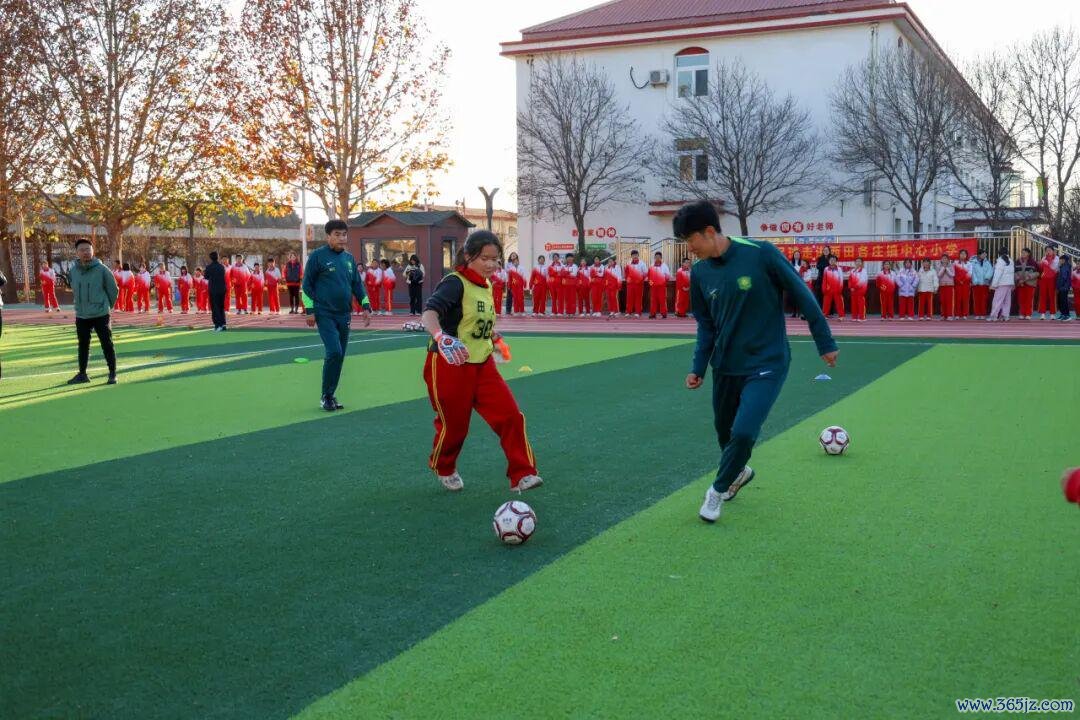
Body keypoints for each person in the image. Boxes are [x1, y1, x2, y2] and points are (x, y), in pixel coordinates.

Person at [677, 202, 837, 523]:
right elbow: (706, 325)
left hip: (768, 361)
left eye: (690, 240)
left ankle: (716, 491)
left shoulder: (761, 253)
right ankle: (739, 472)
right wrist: (698, 367)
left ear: (709, 231)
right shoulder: (700, 273)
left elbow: (802, 294)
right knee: (725, 434)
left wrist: (824, 340)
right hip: (726, 365)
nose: (689, 248)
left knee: (744, 431)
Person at [420, 230, 542, 493]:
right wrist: (440, 336)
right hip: (449, 365)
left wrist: (495, 338)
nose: (490, 264)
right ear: (468, 256)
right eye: (484, 258)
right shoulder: (455, 282)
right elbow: (429, 313)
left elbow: (477, 323)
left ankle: (523, 473)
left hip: (483, 365)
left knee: (510, 416)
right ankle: (444, 466)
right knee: (455, 427)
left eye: (495, 259)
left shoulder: (487, 285)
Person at [302, 220, 372, 411]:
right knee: (334, 352)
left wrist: (366, 306)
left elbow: (357, 285)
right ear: (328, 236)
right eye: (337, 234)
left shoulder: (349, 259)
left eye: (344, 234)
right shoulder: (317, 257)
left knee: (339, 356)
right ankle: (325, 396)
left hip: (344, 315)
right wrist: (310, 311)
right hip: (324, 313)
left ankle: (330, 395)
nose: (342, 238)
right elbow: (306, 286)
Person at [66, 238, 118, 385]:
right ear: (77, 253)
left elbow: (113, 290)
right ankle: (82, 374)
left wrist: (106, 306)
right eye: (82, 250)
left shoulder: (102, 269)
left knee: (107, 344)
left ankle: (112, 373)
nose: (86, 252)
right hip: (82, 315)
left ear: (93, 251)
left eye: (88, 249)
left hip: (101, 314)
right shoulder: (73, 271)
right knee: (83, 345)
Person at [988, 248, 1014, 322]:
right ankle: (1005, 316)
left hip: (1001, 283)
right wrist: (1012, 283)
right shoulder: (1011, 260)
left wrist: (994, 284)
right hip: (1009, 283)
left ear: (999, 253)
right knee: (1007, 301)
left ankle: (993, 316)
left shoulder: (1000, 261)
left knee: (997, 300)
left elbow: (997, 274)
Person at [204, 251, 228, 331]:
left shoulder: (209, 267)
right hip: (222, 288)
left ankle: (218, 325)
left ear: (211, 258)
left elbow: (206, 276)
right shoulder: (222, 267)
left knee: (215, 307)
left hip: (213, 289)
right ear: (218, 257)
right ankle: (223, 324)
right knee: (221, 306)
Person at [969, 248, 993, 320]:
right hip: (976, 285)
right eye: (983, 254)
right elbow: (972, 272)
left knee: (984, 300)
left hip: (985, 284)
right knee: (976, 300)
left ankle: (983, 313)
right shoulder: (973, 262)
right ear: (979, 254)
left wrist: (987, 277)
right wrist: (975, 280)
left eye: (985, 254)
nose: (985, 255)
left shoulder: (987, 262)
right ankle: (977, 314)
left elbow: (990, 270)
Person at [1015, 248, 1038, 320]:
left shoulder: (1033, 262)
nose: (1023, 254)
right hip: (1020, 283)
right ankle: (1022, 313)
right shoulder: (1017, 261)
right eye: (1022, 252)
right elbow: (1014, 272)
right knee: (1021, 299)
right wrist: (1018, 278)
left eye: (1024, 252)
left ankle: (1028, 314)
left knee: (1029, 299)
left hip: (1030, 283)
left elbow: (1037, 273)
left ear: (1028, 253)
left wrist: (1028, 277)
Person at [1038, 246, 1060, 320]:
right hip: (1044, 280)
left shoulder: (1057, 259)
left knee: (1052, 296)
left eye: (1050, 250)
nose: (1048, 252)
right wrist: (1041, 264)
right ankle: (1042, 313)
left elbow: (1056, 269)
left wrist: (1049, 262)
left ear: (1053, 251)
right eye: (1047, 250)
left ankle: (1052, 314)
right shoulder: (1043, 258)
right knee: (1043, 296)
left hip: (1052, 279)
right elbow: (1041, 268)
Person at [648, 251, 672, 319]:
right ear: (654, 258)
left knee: (662, 300)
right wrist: (651, 284)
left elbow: (667, 276)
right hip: (653, 287)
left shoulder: (664, 266)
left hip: (662, 287)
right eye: (656, 257)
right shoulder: (651, 266)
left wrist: (663, 283)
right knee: (653, 300)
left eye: (659, 257)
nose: (657, 258)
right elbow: (649, 276)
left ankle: (664, 313)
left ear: (661, 258)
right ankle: (653, 314)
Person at [821, 255, 845, 320]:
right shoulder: (826, 269)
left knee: (839, 303)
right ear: (829, 261)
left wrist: (840, 288)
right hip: (828, 289)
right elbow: (824, 279)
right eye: (831, 260)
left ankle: (841, 316)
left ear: (836, 261)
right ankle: (825, 315)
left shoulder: (839, 269)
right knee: (826, 303)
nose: (832, 261)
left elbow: (841, 279)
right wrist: (824, 288)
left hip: (837, 289)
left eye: (834, 260)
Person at [624, 250, 646, 317]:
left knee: (638, 298)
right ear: (631, 256)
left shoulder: (642, 263)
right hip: (630, 284)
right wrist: (627, 279)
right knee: (629, 298)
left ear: (638, 255)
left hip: (639, 284)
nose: (635, 256)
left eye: (636, 255)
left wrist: (640, 280)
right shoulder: (628, 263)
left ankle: (638, 312)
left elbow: (645, 273)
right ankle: (628, 312)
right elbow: (626, 272)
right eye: (633, 255)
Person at [847, 257, 868, 322]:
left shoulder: (863, 271)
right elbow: (849, 279)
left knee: (861, 304)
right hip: (853, 290)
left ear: (862, 263)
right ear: (855, 263)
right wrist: (850, 287)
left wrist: (854, 287)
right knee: (854, 304)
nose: (858, 263)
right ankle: (854, 317)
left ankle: (862, 317)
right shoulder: (852, 271)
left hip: (861, 290)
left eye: (859, 261)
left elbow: (862, 280)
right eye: (857, 261)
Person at [936, 252, 955, 321]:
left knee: (949, 301)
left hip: (949, 285)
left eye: (946, 258)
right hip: (942, 285)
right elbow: (938, 275)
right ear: (941, 259)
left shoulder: (951, 265)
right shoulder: (939, 266)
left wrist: (947, 268)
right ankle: (943, 315)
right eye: (943, 258)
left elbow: (952, 275)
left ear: (948, 259)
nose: (944, 260)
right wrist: (943, 268)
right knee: (943, 301)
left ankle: (949, 315)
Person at [954, 249, 972, 320]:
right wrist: (958, 281)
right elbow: (954, 273)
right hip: (958, 284)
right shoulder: (955, 263)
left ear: (966, 255)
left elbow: (970, 273)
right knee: (957, 299)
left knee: (965, 299)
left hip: (966, 284)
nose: (963, 255)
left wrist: (964, 280)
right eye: (961, 254)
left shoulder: (969, 264)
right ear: (959, 255)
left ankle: (965, 314)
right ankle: (957, 314)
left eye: (964, 254)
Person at [1056, 254, 1074, 321]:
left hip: (1063, 287)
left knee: (1063, 301)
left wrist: (1059, 286)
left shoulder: (1065, 267)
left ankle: (1067, 315)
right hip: (1063, 287)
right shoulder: (1063, 266)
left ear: (1063, 260)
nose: (1059, 261)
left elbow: (1064, 277)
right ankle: (1063, 314)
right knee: (1061, 301)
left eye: (1060, 260)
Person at [561, 252, 577, 317]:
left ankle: (572, 312)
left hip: (572, 284)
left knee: (572, 298)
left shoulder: (575, 266)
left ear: (573, 258)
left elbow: (574, 274)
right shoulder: (564, 266)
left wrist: (566, 273)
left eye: (571, 257)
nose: (569, 258)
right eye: (568, 257)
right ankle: (568, 312)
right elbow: (562, 274)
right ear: (566, 259)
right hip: (566, 285)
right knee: (567, 299)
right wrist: (568, 272)